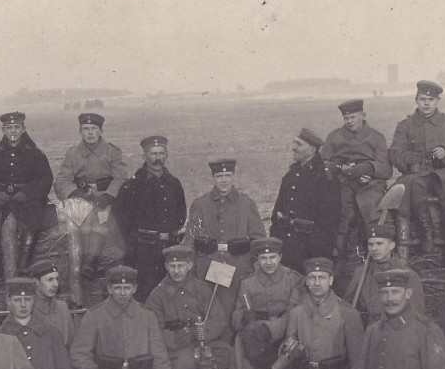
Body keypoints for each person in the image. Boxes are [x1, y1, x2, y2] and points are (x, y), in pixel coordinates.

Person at [389, 81, 445, 262]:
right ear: (416, 100)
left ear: (438, 101)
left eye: (431, 99)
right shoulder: (405, 125)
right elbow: (395, 151)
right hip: (419, 173)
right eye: (423, 99)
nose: (427, 103)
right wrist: (409, 160)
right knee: (412, 186)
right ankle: (427, 234)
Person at [321, 99, 393, 292]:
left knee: (371, 210)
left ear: (363, 115)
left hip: (370, 185)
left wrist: (368, 167)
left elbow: (386, 168)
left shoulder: (376, 138)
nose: (349, 121)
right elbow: (323, 163)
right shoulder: (334, 137)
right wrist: (338, 167)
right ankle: (339, 259)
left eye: (353, 117)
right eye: (346, 118)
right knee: (341, 214)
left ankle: (378, 257)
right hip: (343, 183)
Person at [0, 111, 56, 280]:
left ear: (24, 129)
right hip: (2, 198)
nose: (13, 131)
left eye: (16, 127)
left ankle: (25, 260)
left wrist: (27, 193)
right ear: (3, 129)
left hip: (26, 199)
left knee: (33, 219)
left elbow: (45, 178)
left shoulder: (35, 154)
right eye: (9, 127)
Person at [53, 112, 129, 288]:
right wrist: (76, 193)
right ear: (80, 131)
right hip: (82, 198)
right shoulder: (73, 154)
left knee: (104, 217)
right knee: (86, 216)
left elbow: (120, 178)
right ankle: (87, 261)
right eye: (86, 129)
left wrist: (108, 196)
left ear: (101, 131)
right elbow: (61, 181)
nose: (90, 133)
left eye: (94, 129)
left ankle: (91, 259)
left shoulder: (112, 152)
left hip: (107, 197)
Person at [145, 245, 232, 369]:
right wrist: (173, 339)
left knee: (225, 352)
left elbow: (218, 319)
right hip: (176, 345)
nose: (176, 271)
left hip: (202, 341)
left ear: (190, 265)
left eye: (180, 266)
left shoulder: (202, 289)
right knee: (186, 362)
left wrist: (196, 333)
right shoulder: (157, 295)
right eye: (172, 266)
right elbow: (152, 328)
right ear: (166, 266)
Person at [185, 158, 266, 312]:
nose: (224, 180)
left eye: (227, 175)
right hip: (208, 264)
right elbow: (190, 240)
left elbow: (259, 240)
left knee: (235, 308)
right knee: (210, 308)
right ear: (213, 178)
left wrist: (253, 266)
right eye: (219, 176)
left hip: (238, 265)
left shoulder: (246, 204)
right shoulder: (200, 205)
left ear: (233, 176)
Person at [114, 135, 188, 301]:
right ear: (144, 156)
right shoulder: (132, 186)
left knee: (171, 294)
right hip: (142, 252)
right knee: (145, 295)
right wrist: (134, 244)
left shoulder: (174, 184)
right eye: (153, 154)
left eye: (161, 153)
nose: (158, 158)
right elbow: (120, 219)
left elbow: (181, 214)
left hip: (169, 249)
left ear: (166, 155)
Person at [232, 237, 305, 369]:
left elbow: (294, 311)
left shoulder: (293, 279)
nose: (268, 262)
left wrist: (271, 329)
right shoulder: (248, 282)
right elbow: (238, 312)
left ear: (280, 257)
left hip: (286, 329)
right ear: (257, 259)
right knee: (250, 337)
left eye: (272, 257)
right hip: (256, 334)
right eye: (263, 258)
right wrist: (244, 318)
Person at [269, 128, 340, 273]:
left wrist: (317, 249)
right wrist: (276, 242)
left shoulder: (324, 178)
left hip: (311, 250)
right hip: (287, 247)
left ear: (313, 149)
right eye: (294, 143)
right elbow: (277, 213)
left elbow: (329, 221)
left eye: (299, 144)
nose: (293, 147)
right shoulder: (290, 175)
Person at [343, 224, 426, 325]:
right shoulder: (361, 272)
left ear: (391, 245)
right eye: (371, 244)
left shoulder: (408, 275)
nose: (374, 248)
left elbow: (417, 316)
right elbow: (347, 305)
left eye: (379, 244)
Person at [27, 260, 75, 348]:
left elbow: (72, 343)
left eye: (57, 279)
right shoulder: (28, 310)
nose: (55, 284)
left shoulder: (62, 307)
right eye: (50, 280)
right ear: (36, 282)